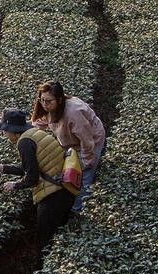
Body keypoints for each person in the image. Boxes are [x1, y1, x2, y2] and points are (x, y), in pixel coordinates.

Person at [0, 107, 81, 248]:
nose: (3, 133)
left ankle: (41, 268)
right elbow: (30, 167)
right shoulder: (34, 134)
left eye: (4, 130)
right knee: (60, 233)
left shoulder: (25, 143)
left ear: (13, 130)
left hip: (54, 194)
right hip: (64, 189)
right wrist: (0, 167)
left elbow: (32, 177)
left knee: (44, 238)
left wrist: (15, 185)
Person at [30, 80, 105, 214]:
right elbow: (41, 122)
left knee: (83, 178)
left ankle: (77, 211)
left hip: (91, 140)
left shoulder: (73, 113)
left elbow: (87, 141)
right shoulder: (49, 108)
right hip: (70, 142)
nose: (44, 104)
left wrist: (87, 161)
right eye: (42, 100)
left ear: (59, 99)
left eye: (48, 101)